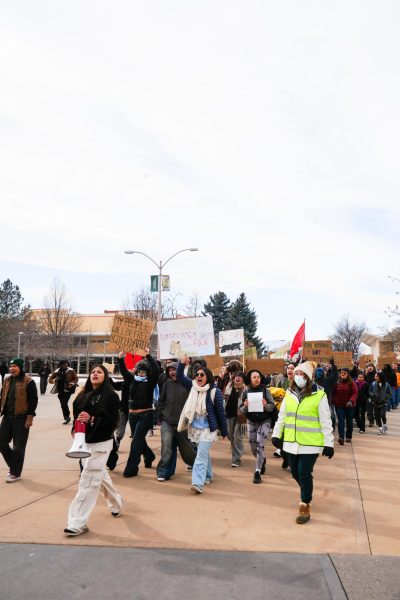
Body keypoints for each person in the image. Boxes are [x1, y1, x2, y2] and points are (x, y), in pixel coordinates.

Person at [271, 361, 334, 524]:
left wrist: (329, 443)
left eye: (302, 374)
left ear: (309, 377)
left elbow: (326, 420)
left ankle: (305, 504)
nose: (299, 377)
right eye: (297, 374)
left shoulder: (319, 395)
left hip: (310, 444)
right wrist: (276, 434)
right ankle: (306, 490)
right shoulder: (289, 394)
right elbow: (282, 417)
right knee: (295, 473)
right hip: (291, 442)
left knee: (304, 473)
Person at [64, 364, 123, 536]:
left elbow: (113, 422)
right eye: (93, 372)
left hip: (102, 443)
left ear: (105, 376)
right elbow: (77, 417)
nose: (95, 374)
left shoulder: (110, 396)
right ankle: (117, 503)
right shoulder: (82, 395)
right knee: (99, 476)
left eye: (99, 372)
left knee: (88, 480)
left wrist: (92, 419)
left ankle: (76, 523)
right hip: (85, 443)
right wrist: (75, 431)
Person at [177, 355, 228, 494]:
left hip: (208, 430)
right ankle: (208, 475)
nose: (198, 376)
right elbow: (180, 377)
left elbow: (221, 414)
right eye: (196, 375)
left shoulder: (215, 392)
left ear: (208, 377)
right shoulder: (193, 387)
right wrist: (182, 363)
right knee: (203, 453)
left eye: (201, 374)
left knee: (200, 455)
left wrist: (224, 432)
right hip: (195, 429)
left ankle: (197, 483)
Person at [123, 349, 160, 478]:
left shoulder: (150, 382)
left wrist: (148, 356)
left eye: (144, 371)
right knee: (139, 441)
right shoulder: (133, 381)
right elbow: (124, 372)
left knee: (135, 441)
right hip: (132, 416)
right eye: (139, 371)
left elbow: (156, 370)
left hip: (146, 415)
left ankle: (131, 469)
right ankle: (149, 455)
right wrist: (120, 358)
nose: (141, 373)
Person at [0, 358, 38, 482]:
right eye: (10, 366)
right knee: (2, 443)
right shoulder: (7, 380)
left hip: (21, 418)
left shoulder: (28, 381)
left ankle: (15, 473)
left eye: (15, 366)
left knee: (18, 447)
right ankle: (14, 466)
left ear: (20, 367)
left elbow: (33, 400)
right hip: (7, 416)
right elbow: (3, 396)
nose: (12, 368)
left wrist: (30, 417)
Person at [155, 362, 192, 481]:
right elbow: (161, 401)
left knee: (187, 448)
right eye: (169, 370)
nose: (172, 372)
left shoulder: (188, 384)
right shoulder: (167, 384)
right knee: (166, 446)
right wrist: (159, 416)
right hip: (167, 420)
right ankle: (163, 472)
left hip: (183, 422)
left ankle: (199, 466)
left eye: (174, 369)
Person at [239, 369, 276, 484]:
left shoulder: (265, 390)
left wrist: (265, 405)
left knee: (260, 444)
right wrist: (245, 406)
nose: (257, 379)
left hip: (264, 420)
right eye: (254, 377)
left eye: (258, 377)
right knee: (253, 446)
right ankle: (262, 459)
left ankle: (257, 472)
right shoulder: (245, 392)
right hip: (251, 421)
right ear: (250, 378)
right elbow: (241, 409)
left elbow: (272, 406)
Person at [224, 371, 247, 468]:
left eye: (240, 376)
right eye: (236, 376)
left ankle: (236, 459)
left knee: (237, 437)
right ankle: (235, 450)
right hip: (229, 415)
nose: (237, 378)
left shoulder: (246, 389)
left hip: (241, 416)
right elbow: (224, 399)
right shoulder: (229, 386)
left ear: (243, 379)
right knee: (230, 436)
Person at [332, 368, 358, 445]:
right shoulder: (337, 382)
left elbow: (355, 393)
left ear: (348, 374)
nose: (342, 374)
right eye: (341, 373)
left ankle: (348, 436)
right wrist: (333, 400)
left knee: (349, 421)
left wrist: (351, 401)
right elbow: (333, 392)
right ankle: (341, 437)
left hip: (349, 405)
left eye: (344, 373)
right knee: (341, 421)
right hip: (339, 405)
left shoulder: (352, 382)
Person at [49, 360, 78, 424]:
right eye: (64, 364)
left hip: (68, 390)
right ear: (60, 365)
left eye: (66, 364)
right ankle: (67, 416)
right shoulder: (57, 371)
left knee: (64, 403)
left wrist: (71, 383)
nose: (65, 365)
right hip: (60, 390)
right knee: (63, 405)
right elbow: (50, 380)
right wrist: (55, 380)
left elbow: (76, 378)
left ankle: (67, 417)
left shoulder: (71, 370)